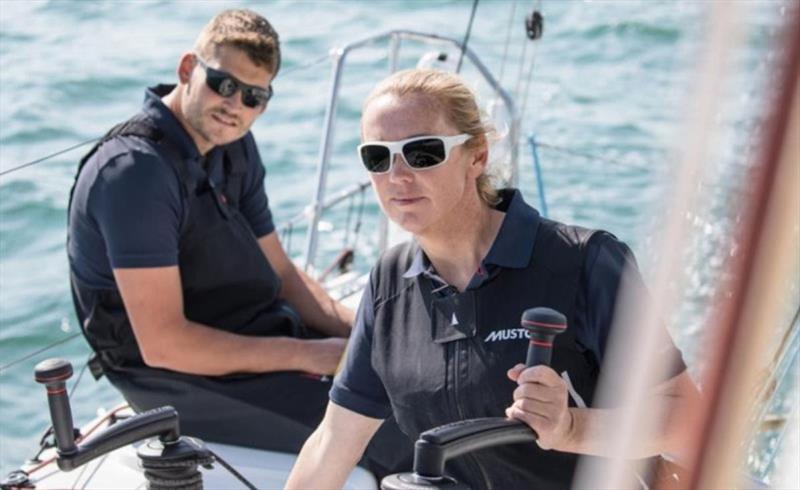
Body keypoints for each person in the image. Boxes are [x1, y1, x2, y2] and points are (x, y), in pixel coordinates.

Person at [285, 68, 701, 489]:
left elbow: (688, 419)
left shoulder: (582, 261)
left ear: (477, 155)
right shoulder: (389, 286)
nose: (397, 175)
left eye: (422, 153)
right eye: (378, 156)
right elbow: (334, 440)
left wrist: (572, 427)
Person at [67, 9, 411, 474]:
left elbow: (283, 276)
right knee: (385, 430)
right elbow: (164, 345)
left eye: (255, 96)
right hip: (171, 377)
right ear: (188, 69)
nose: (237, 105)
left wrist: (371, 335)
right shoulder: (135, 173)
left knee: (413, 385)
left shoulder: (233, 147)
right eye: (224, 84)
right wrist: (314, 355)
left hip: (248, 333)